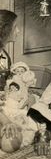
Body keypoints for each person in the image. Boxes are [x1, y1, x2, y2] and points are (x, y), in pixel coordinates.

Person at [0, 10, 25, 150]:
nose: (18, 31)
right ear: (5, 30)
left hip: (4, 104)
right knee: (9, 143)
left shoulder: (4, 55)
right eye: (15, 27)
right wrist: (6, 120)